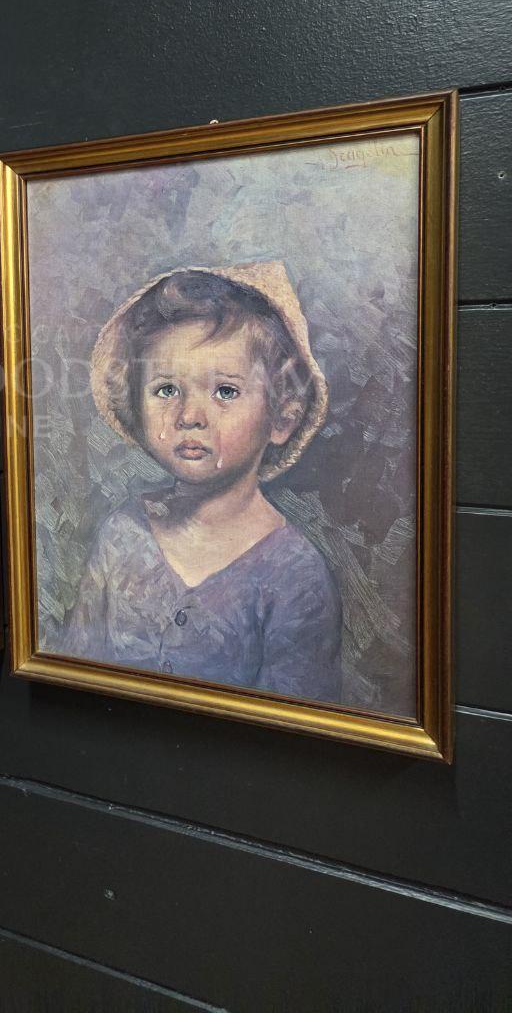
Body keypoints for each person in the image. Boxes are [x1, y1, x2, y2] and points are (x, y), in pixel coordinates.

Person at [60, 261, 342, 703]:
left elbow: (293, 725)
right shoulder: (123, 533)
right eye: (167, 390)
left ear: (281, 417)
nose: (189, 416)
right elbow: (75, 677)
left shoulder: (297, 577)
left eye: (225, 391)